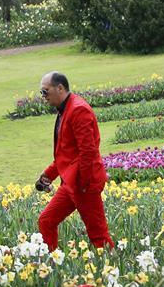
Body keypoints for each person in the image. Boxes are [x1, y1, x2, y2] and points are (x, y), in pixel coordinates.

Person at [36, 71, 113, 251]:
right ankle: (52, 265)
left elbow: (88, 151)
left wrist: (84, 185)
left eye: (45, 92)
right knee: (46, 221)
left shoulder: (78, 109)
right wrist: (47, 176)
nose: (43, 97)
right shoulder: (65, 109)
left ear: (60, 88)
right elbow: (66, 154)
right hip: (71, 183)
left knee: (98, 235)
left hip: (83, 183)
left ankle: (114, 271)